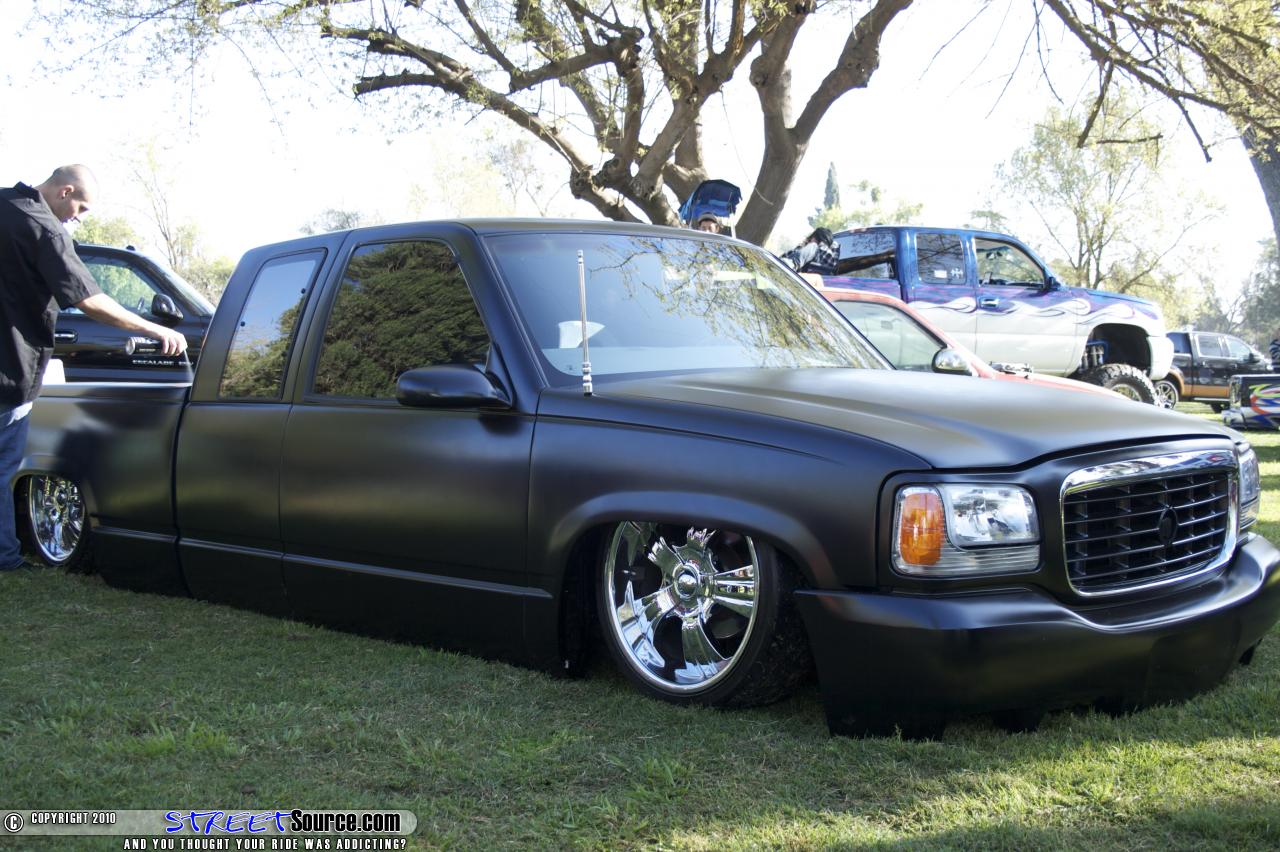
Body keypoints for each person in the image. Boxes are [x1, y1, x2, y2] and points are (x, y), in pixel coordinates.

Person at [0, 165, 187, 571]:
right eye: (81, 208)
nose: (79, 219)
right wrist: (153, 328)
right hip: (8, 368)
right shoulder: (45, 229)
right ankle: (4, 558)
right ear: (65, 191)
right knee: (2, 465)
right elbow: (89, 300)